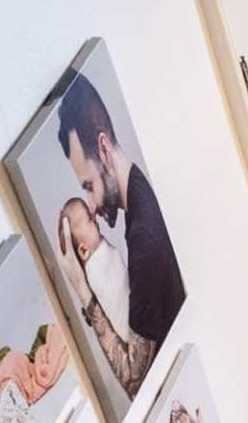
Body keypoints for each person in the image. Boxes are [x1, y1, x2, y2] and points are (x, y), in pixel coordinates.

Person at [53, 62, 185, 358]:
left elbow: (136, 375)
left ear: (103, 149)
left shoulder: (143, 237)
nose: (91, 204)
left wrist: (80, 286)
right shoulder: (139, 198)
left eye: (89, 186)